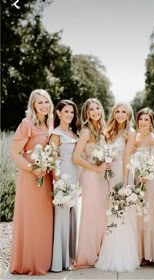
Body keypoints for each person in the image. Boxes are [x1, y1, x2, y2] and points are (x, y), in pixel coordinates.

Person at [9, 89, 54, 275]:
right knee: (32, 219)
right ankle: (29, 263)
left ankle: (45, 260)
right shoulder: (27, 123)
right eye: (39, 102)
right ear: (33, 105)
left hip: (47, 178)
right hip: (30, 178)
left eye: (46, 102)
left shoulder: (50, 123)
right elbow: (14, 153)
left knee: (44, 220)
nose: (44, 105)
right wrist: (32, 169)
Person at [95, 102, 140, 272]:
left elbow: (127, 158)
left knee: (120, 213)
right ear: (113, 113)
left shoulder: (131, 132)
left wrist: (126, 183)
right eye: (118, 111)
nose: (120, 114)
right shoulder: (109, 132)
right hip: (106, 174)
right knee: (108, 211)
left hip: (121, 174)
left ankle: (121, 255)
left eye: (124, 112)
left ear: (128, 115)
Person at [72, 98, 109, 268]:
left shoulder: (102, 130)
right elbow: (76, 157)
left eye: (97, 108)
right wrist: (95, 168)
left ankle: (100, 251)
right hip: (91, 176)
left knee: (102, 215)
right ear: (86, 113)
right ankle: (87, 256)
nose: (95, 112)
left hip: (101, 177)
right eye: (91, 109)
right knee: (90, 214)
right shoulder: (86, 131)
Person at [49, 100, 80, 271]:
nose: (69, 115)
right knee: (62, 219)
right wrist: (58, 181)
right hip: (63, 179)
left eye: (72, 112)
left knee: (71, 216)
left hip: (74, 178)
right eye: (66, 111)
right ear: (58, 113)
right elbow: (53, 160)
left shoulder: (72, 132)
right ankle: (59, 262)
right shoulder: (56, 133)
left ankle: (70, 256)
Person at [134, 108, 154, 265]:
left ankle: (150, 253)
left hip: (150, 182)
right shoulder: (135, 138)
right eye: (141, 119)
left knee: (149, 215)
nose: (143, 122)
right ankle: (139, 252)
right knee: (138, 216)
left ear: (151, 122)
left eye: (146, 119)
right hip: (136, 180)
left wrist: (147, 174)